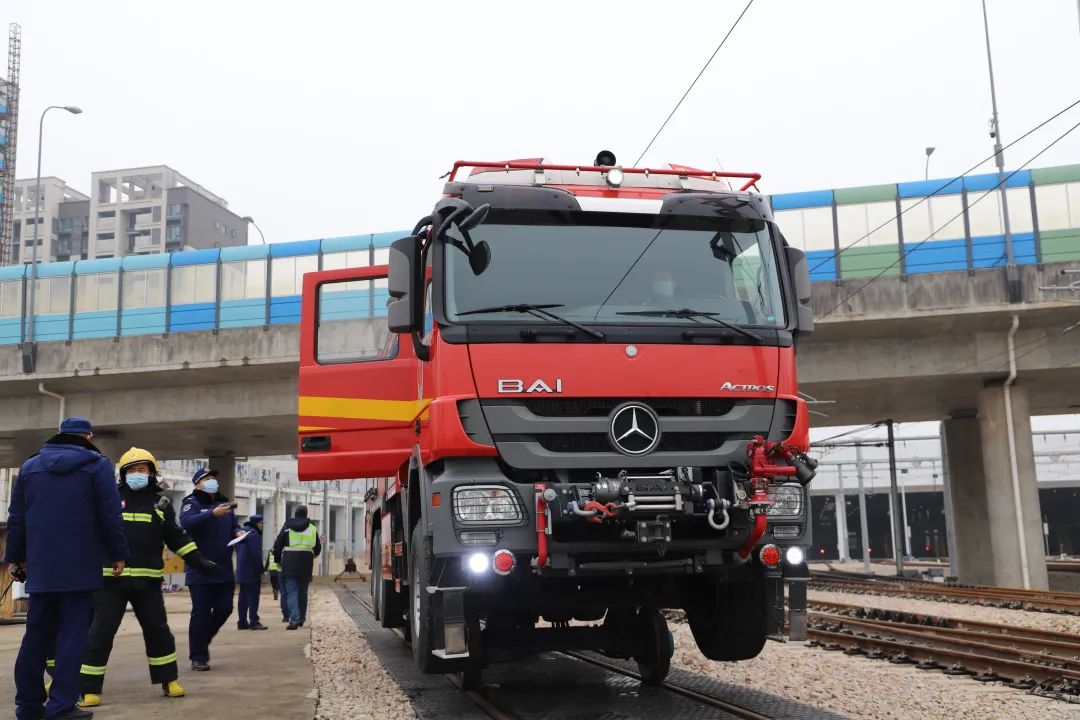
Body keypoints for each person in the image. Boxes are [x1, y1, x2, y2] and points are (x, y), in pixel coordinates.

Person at [76, 448, 221, 709]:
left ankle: (169, 681)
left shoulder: (160, 504)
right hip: (112, 582)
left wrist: (199, 562)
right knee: (99, 634)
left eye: (142, 470)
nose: (137, 474)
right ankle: (88, 689)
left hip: (148, 583)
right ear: (123, 475)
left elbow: (177, 538)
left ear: (151, 473)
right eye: (131, 470)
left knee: (159, 632)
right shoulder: (109, 500)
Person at [6, 417, 129, 720]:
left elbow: (17, 517)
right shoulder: (97, 466)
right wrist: (118, 553)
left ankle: (27, 706)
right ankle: (61, 706)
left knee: (35, 635)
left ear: (59, 435)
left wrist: (16, 557)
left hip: (41, 566)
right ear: (88, 437)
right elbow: (110, 515)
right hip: (80, 566)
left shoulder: (30, 466)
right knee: (72, 636)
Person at [179, 467, 241, 671]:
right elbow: (187, 523)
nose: (211, 481)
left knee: (225, 609)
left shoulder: (223, 504)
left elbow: (233, 525)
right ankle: (198, 656)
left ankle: (202, 640)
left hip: (223, 568)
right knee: (201, 612)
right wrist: (212, 515)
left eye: (213, 477)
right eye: (206, 479)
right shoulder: (191, 503)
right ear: (197, 484)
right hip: (200, 568)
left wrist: (238, 532)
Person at [272, 506, 321, 630]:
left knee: (292, 592)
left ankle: (294, 620)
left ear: (295, 514)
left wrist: (278, 560)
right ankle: (301, 619)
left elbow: (278, 545)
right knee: (303, 592)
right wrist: (312, 555)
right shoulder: (312, 528)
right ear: (306, 514)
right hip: (306, 564)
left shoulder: (287, 527)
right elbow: (318, 548)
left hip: (289, 563)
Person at [234, 514, 268, 631]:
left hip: (241, 570)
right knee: (253, 596)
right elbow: (256, 555)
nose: (262, 526)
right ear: (257, 524)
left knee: (243, 596)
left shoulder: (242, 534)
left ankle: (242, 621)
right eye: (261, 523)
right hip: (251, 571)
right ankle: (254, 621)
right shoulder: (254, 535)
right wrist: (261, 571)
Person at [264, 549, 288, 622]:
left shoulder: (271, 551)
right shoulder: (283, 550)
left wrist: (265, 569)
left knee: (273, 582)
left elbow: (268, 561)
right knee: (279, 584)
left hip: (272, 569)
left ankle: (275, 590)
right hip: (278, 569)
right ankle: (276, 590)